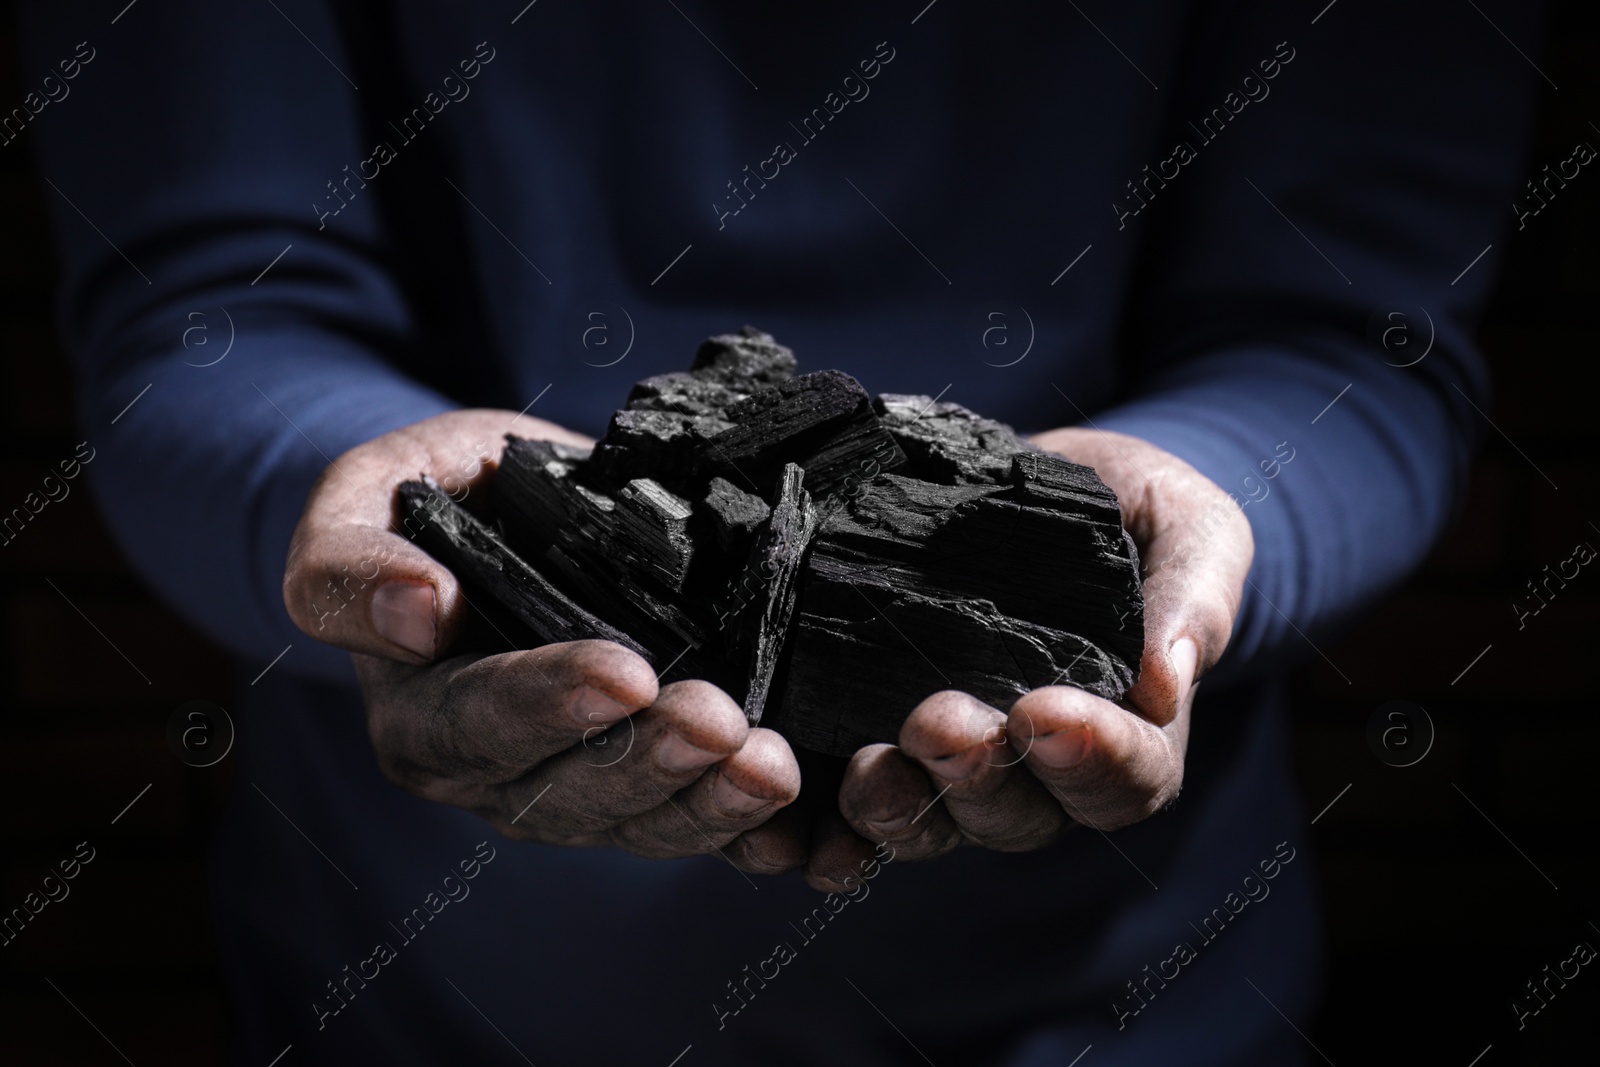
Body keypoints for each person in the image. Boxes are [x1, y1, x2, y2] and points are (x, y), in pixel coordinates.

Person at [20, 1, 1543, 1062]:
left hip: (1131, 1010)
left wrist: (1207, 501)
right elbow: (212, 301)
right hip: (414, 996)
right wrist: (345, 489)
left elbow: (1352, 334)